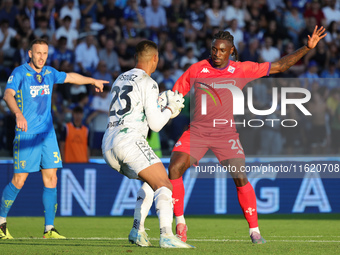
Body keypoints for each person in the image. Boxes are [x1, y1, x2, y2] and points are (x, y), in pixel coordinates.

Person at [131, 27, 327, 244]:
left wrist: (306, 48)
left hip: (225, 133)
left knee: (240, 177)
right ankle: (180, 224)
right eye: (213, 49)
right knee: (175, 168)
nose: (216, 54)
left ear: (231, 51)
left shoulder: (242, 69)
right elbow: (173, 95)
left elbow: (281, 66)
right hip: (197, 131)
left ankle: (254, 230)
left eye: (221, 50)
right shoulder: (197, 69)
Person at [0, 39, 108, 239]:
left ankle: (49, 229)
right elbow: (7, 95)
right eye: (38, 53)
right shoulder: (20, 72)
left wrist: (92, 81)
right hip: (27, 134)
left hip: (47, 135)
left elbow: (71, 77)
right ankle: (0, 222)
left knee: (52, 178)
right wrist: (18, 114)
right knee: (19, 180)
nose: (41, 57)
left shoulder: (49, 73)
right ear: (30, 54)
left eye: (45, 53)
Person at [101, 40, 193, 248]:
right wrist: (170, 109)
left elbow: (133, 108)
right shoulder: (149, 82)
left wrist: (159, 102)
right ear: (155, 59)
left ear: (135, 58)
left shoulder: (120, 78)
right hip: (129, 140)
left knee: (151, 183)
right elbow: (156, 125)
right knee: (165, 184)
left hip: (108, 143)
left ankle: (137, 230)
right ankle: (167, 235)